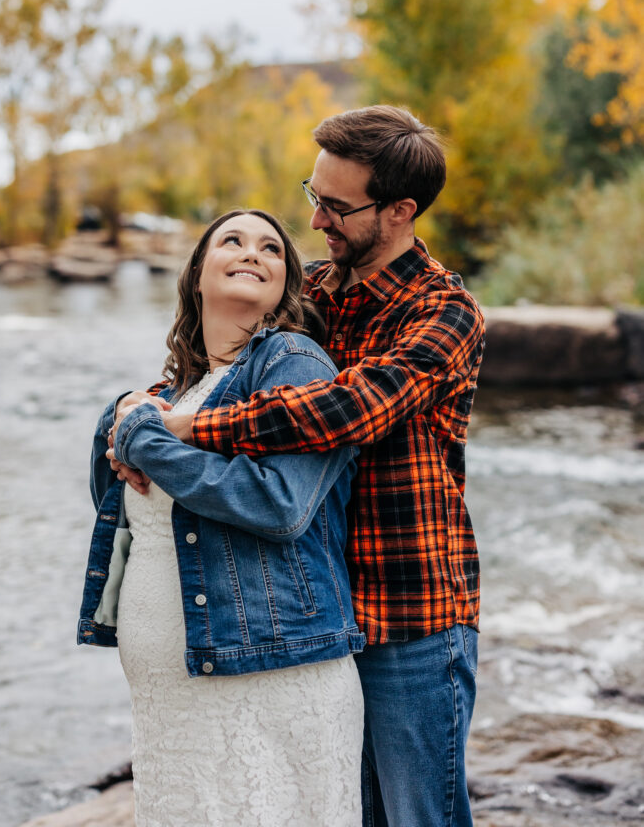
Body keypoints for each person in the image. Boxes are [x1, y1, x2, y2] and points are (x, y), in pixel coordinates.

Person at [142, 106, 486, 827]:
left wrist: (194, 428)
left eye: (335, 206)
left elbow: (351, 409)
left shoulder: (445, 312)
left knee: (417, 815)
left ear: (398, 211)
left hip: (409, 614)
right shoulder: (315, 296)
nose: (318, 220)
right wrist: (143, 406)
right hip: (314, 617)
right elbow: (225, 363)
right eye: (313, 195)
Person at [78, 209, 366, 827]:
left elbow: (280, 505)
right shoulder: (176, 392)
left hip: (267, 672)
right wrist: (118, 417)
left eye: (271, 249)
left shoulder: (293, 362)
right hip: (171, 691)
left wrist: (145, 439)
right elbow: (115, 500)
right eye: (231, 241)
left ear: (285, 284)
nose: (252, 252)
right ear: (198, 276)